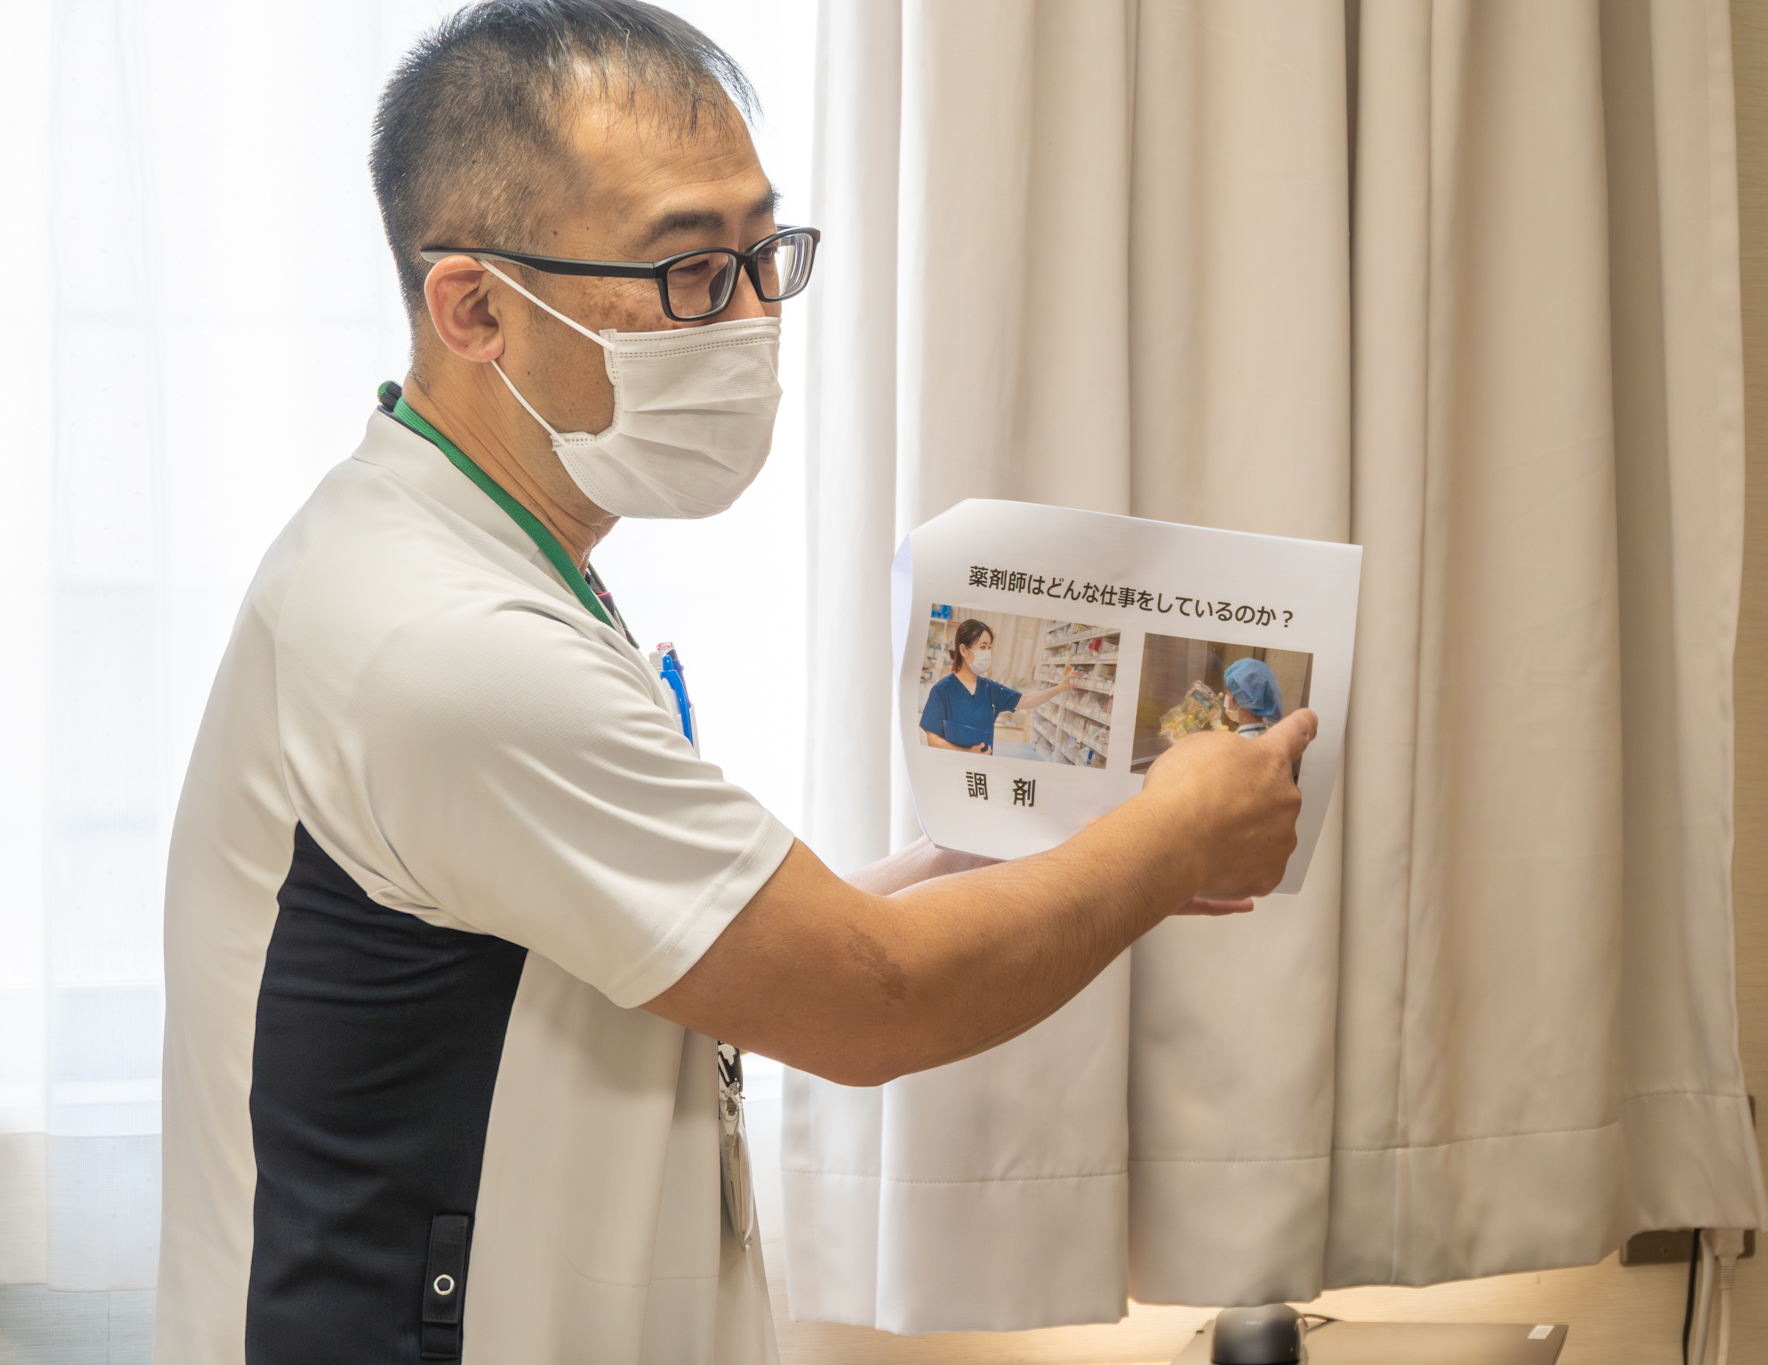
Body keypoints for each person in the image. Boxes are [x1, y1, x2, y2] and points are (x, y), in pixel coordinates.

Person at [153, 4, 1315, 1363]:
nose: (755, 319)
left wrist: (991, 852)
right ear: (475, 308)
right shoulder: (443, 641)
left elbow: (701, 943)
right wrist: (1166, 840)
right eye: (693, 272)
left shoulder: (471, 550)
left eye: (766, 257)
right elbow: (872, 1001)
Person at [919, 617, 1075, 753]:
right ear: (963, 650)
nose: (987, 653)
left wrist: (1060, 687)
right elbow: (933, 740)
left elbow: (1027, 700)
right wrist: (967, 753)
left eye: (989, 647)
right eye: (982, 647)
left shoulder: (990, 690)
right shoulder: (942, 690)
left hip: (982, 769)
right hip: (951, 769)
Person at [1221, 657, 1286, 737]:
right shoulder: (1272, 737)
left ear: (1234, 698)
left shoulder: (1236, 742)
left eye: (1227, 693)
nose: (1227, 697)